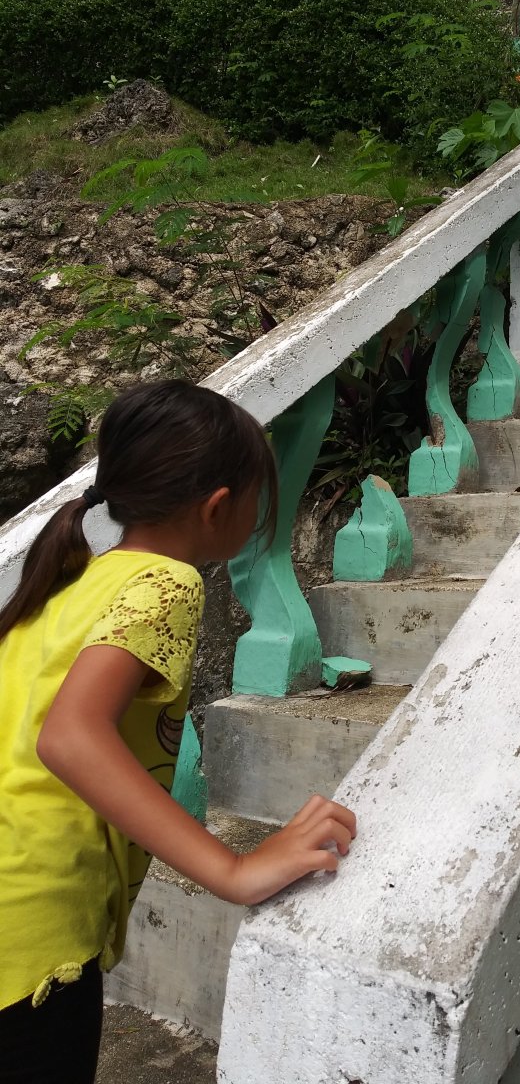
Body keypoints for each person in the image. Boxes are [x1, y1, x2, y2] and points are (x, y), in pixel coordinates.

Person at [0, 380, 356, 1084]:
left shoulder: (67, 588)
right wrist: (234, 869)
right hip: (33, 940)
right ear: (220, 506)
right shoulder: (167, 582)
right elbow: (69, 738)